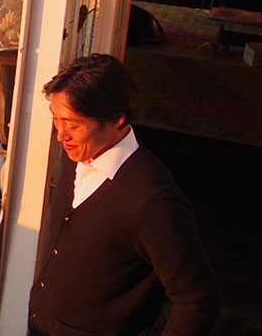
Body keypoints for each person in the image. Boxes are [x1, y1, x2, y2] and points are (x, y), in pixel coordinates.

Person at [29, 54, 220, 336]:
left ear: (116, 119)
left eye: (73, 124)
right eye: (56, 120)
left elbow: (198, 300)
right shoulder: (78, 155)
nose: (61, 135)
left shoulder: (151, 201)